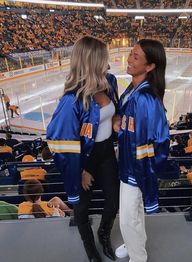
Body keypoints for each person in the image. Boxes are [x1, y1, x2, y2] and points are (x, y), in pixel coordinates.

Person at [46, 36, 119, 262]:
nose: (107, 62)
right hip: (84, 159)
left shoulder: (110, 81)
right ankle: (90, 249)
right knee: (81, 208)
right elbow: (58, 142)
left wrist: (116, 120)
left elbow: (114, 111)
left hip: (107, 152)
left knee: (114, 202)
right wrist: (80, 171)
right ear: (91, 61)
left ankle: (103, 233)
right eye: (103, 58)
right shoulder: (72, 101)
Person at [115, 39, 170, 262]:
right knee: (133, 213)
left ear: (150, 66)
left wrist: (143, 173)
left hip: (136, 168)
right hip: (128, 162)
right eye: (131, 53)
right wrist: (118, 123)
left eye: (136, 56)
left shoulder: (146, 99)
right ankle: (133, 243)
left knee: (128, 218)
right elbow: (127, 122)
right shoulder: (133, 89)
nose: (129, 59)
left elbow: (158, 142)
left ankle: (138, 257)